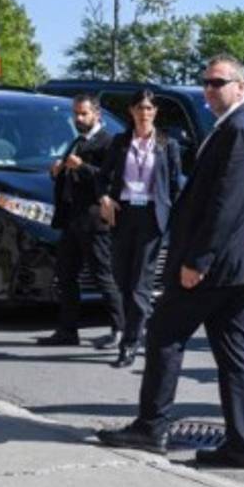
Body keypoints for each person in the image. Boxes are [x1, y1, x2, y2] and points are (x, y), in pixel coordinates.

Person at [96, 55, 244, 468]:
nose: (208, 90)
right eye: (206, 82)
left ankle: (151, 427)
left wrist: (199, 259)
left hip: (218, 264)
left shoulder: (241, 129)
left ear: (241, 86)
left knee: (164, 333)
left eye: (218, 82)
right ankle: (242, 443)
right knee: (234, 351)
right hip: (236, 264)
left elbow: (226, 203)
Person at [98, 89, 183, 369]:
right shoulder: (120, 142)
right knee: (122, 278)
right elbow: (102, 177)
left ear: (155, 112)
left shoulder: (167, 144)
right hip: (123, 214)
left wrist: (174, 219)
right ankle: (144, 328)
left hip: (151, 215)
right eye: (139, 108)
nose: (144, 113)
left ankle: (130, 343)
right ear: (131, 111)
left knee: (139, 285)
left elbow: (175, 184)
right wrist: (104, 197)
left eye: (149, 108)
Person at [39, 94, 124, 348]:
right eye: (75, 113)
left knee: (102, 276)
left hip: (95, 221)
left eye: (84, 113)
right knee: (66, 275)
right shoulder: (77, 141)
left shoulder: (108, 143)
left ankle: (120, 330)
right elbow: (71, 176)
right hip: (72, 220)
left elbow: (111, 180)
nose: (78, 118)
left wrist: (81, 167)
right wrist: (58, 171)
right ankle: (67, 330)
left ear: (97, 114)